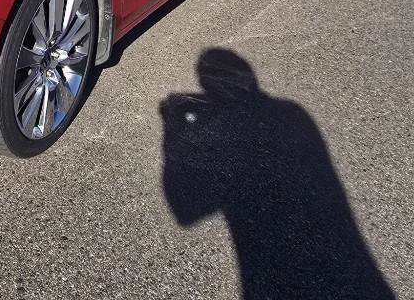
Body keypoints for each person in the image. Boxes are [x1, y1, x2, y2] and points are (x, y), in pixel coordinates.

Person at [161, 49, 395, 300]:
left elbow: (185, 211)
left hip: (271, 277)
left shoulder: (235, 126)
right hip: (353, 272)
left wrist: (172, 126)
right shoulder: (291, 112)